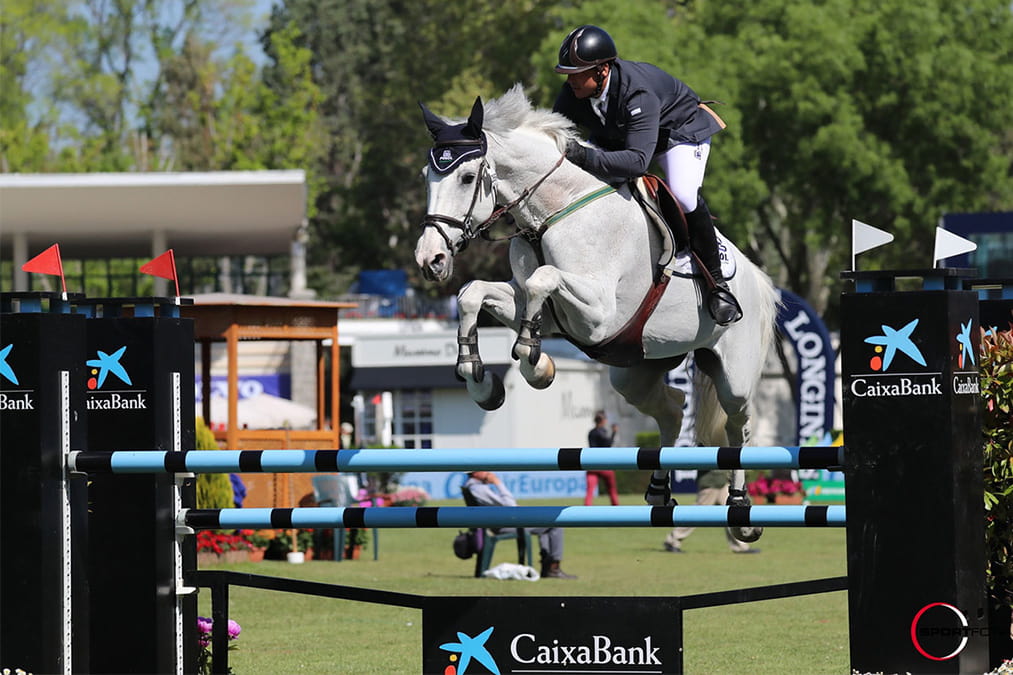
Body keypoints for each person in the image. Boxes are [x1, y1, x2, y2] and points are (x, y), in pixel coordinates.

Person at [552, 25, 741, 326]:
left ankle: (717, 284)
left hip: (679, 133)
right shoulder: (574, 92)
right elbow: (555, 136)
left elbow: (638, 162)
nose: (570, 79)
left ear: (602, 70)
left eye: (577, 72)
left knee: (682, 194)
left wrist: (585, 156)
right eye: (568, 72)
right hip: (626, 135)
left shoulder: (637, 92)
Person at [463, 470, 577, 579]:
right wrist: (498, 483)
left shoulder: (472, 487)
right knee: (555, 523)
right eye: (485, 471)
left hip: (501, 523)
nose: (489, 473)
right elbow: (511, 505)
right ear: (475, 474)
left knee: (546, 526)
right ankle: (553, 567)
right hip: (504, 526)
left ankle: (549, 566)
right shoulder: (479, 489)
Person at [663, 470, 760, 554]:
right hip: (711, 484)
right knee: (696, 515)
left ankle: (740, 546)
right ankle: (672, 539)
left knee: (732, 513)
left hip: (722, 483)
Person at [585, 411, 620, 506]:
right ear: (603, 421)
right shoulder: (602, 432)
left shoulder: (591, 432)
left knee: (589, 492)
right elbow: (608, 444)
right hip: (604, 464)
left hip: (592, 464)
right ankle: (617, 510)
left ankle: (586, 512)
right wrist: (614, 432)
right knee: (612, 490)